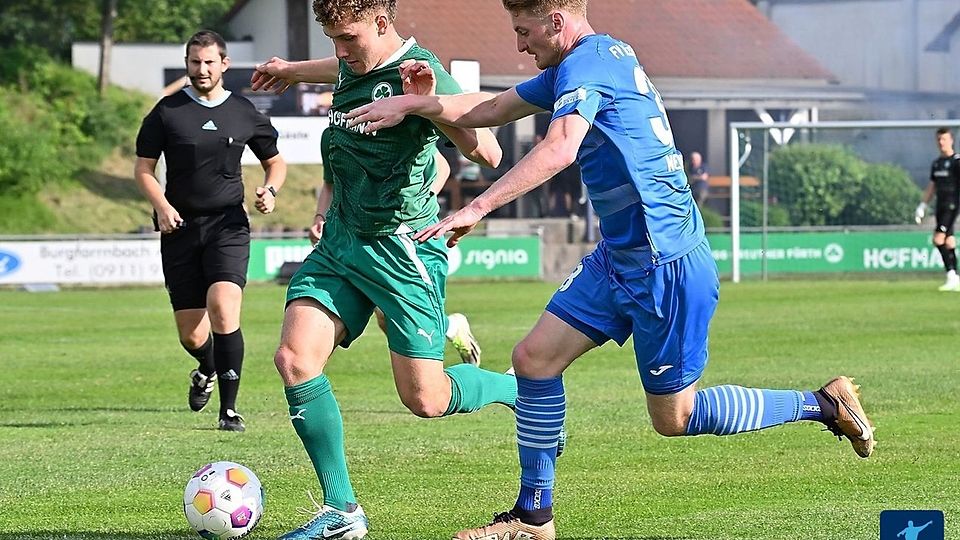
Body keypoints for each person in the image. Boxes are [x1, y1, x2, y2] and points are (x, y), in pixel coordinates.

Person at [345, 1, 876, 539]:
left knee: (675, 419)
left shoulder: (588, 63)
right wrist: (416, 106)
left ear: (556, 21)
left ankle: (819, 404)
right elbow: (493, 108)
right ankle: (533, 517)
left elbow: (560, 148)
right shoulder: (581, 63)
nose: (519, 44)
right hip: (619, 257)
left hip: (664, 262)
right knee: (533, 360)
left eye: (524, 31)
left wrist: (477, 206)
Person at [248, 2, 543, 538]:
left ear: (382, 24)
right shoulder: (350, 61)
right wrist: (290, 70)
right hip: (341, 241)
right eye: (331, 38)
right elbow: (334, 66)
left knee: (425, 400)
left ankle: (514, 390)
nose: (340, 51)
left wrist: (428, 104)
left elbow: (490, 153)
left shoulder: (421, 68)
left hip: (402, 251)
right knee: (294, 359)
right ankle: (341, 514)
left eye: (349, 38)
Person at [134, 30, 287, 432]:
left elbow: (276, 163)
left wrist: (270, 190)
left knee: (223, 306)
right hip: (179, 227)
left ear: (224, 64)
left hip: (228, 225)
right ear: (187, 65)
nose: (201, 70)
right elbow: (143, 169)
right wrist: (162, 207)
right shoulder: (166, 112)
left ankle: (229, 410)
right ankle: (205, 367)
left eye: (208, 62)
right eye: (194, 62)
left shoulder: (244, 111)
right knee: (191, 334)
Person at [315, 127, 482, 364]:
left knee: (401, 316)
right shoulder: (331, 134)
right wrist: (319, 218)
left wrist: (420, 203)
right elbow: (330, 184)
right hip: (357, 237)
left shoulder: (392, 127)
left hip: (407, 237)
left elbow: (442, 166)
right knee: (387, 317)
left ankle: (447, 350)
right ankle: (447, 332)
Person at [915, 127, 960, 291]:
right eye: (939, 140)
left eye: (944, 139)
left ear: (951, 140)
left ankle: (952, 275)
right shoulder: (936, 164)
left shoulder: (956, 162)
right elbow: (932, 187)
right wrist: (922, 205)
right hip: (940, 206)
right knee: (949, 241)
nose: (941, 143)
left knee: (938, 239)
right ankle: (955, 277)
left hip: (952, 205)